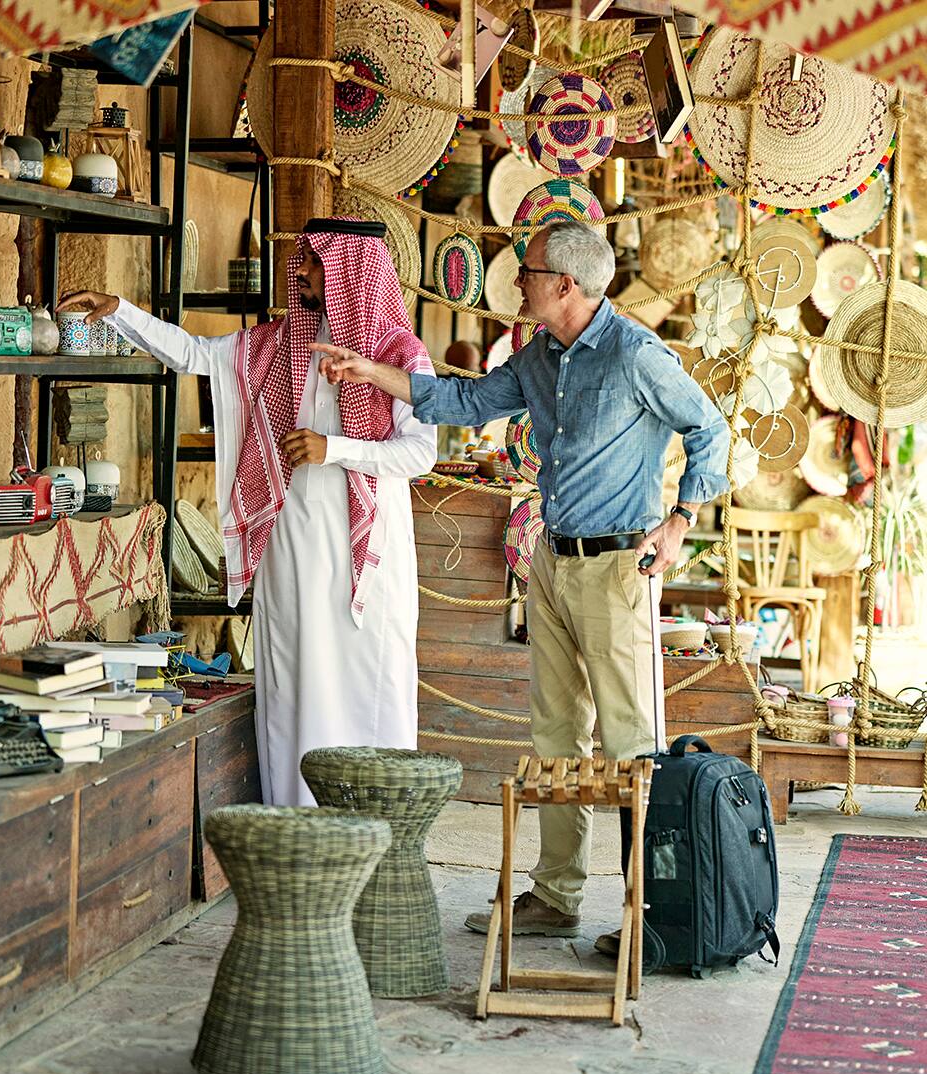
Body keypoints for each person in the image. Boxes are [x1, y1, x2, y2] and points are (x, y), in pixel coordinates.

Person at [315, 220, 730, 953]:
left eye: (528, 271)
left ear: (565, 285)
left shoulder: (636, 354)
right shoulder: (538, 357)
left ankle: (653, 915)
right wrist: (370, 371)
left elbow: (710, 430)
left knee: (632, 746)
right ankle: (557, 896)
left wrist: (681, 520)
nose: (517, 282)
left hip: (618, 569)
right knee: (555, 736)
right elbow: (466, 403)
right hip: (552, 563)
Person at [57, 218, 438, 806]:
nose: (304, 273)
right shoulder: (276, 347)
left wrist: (333, 448)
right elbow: (193, 354)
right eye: (304, 261)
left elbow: (420, 452)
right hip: (293, 539)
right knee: (294, 677)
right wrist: (119, 311)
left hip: (368, 550)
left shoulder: (399, 355)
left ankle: (375, 825)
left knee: (364, 680)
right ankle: (296, 819)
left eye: (316, 263)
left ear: (350, 271)